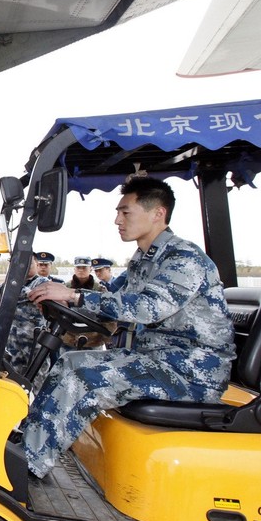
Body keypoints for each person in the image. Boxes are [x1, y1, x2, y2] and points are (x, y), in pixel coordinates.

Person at [24, 176, 235, 479]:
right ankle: (26, 449)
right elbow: (114, 300)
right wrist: (62, 299)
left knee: (84, 376)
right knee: (68, 361)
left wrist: (74, 294)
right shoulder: (144, 260)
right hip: (158, 364)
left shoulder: (183, 258)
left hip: (188, 372)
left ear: (157, 213)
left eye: (126, 212)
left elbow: (147, 308)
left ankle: (28, 466)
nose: (117, 220)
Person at [2, 254, 49, 389]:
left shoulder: (42, 282)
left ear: (36, 264)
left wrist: (15, 292)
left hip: (34, 340)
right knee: (13, 376)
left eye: (30, 263)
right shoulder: (11, 282)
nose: (26, 267)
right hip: (13, 340)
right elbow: (2, 290)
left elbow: (33, 293)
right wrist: (22, 292)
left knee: (38, 377)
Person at [59, 257, 115, 352]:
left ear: (90, 269)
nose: (81, 270)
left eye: (84, 268)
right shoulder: (64, 288)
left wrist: (106, 337)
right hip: (68, 339)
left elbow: (108, 315)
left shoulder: (100, 289)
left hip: (93, 340)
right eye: (78, 267)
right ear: (74, 269)